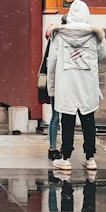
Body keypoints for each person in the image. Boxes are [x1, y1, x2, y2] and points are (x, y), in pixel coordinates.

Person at [48, 0, 106, 179]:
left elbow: (52, 62)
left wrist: (51, 86)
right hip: (87, 84)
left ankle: (66, 157)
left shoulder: (59, 36)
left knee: (67, 120)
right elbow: (104, 55)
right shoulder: (94, 35)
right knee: (88, 120)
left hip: (66, 84)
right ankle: (90, 157)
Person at [37, 20, 61, 157]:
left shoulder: (53, 41)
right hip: (60, 83)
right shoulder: (59, 41)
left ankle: (53, 147)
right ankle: (59, 147)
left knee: (55, 116)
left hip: (54, 83)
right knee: (60, 117)